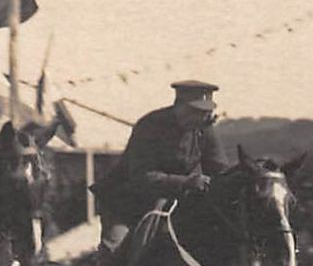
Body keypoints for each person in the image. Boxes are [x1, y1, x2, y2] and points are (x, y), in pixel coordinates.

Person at [90, 80, 228, 252]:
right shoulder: (150, 125)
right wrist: (187, 182)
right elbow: (142, 177)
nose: (202, 118)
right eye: (196, 112)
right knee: (115, 252)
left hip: (169, 203)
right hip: (126, 204)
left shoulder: (203, 128)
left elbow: (220, 171)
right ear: (179, 107)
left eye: (206, 112)